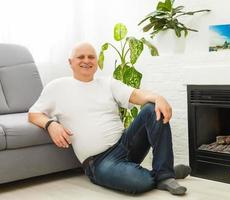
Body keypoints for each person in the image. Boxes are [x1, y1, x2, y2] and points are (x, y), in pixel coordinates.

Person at [28, 42, 191, 195]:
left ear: (96, 62)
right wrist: (50, 124)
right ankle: (163, 172)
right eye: (81, 57)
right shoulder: (57, 87)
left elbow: (135, 94)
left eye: (91, 57)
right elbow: (33, 114)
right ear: (70, 62)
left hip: (125, 144)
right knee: (141, 183)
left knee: (151, 108)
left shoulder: (108, 83)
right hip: (99, 161)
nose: (86, 60)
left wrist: (158, 97)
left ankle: (165, 176)